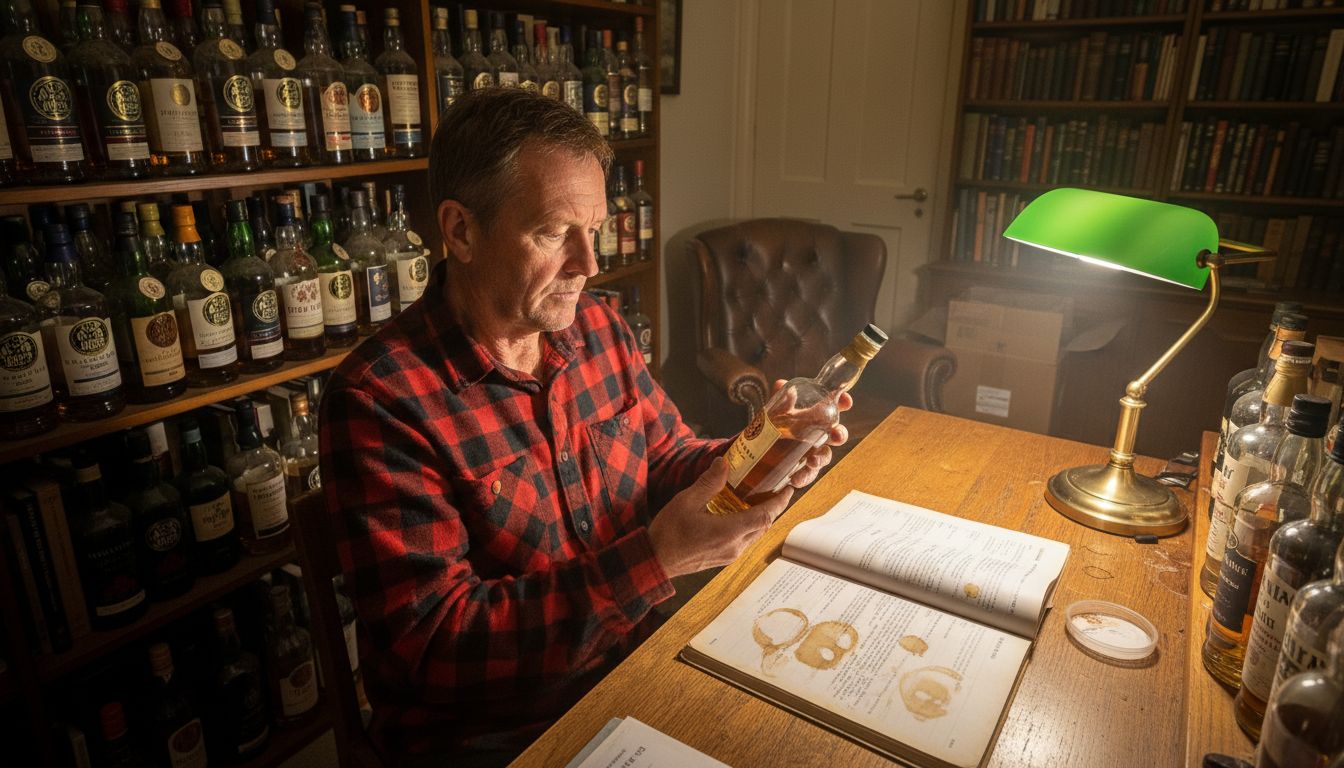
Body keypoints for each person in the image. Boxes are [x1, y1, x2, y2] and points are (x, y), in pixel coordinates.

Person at [319, 88, 849, 767]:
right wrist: (656, 559)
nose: (589, 265)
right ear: (460, 231)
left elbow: (667, 457)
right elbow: (436, 646)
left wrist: (760, 450)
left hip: (627, 667)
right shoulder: (381, 398)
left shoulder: (597, 326)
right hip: (492, 736)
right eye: (552, 233)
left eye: (594, 230)